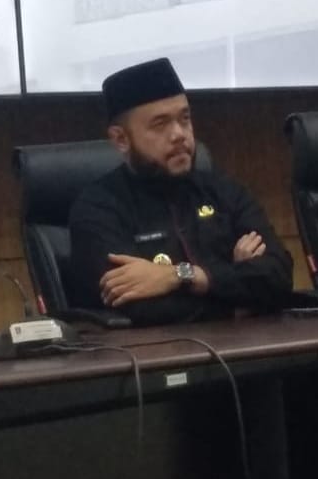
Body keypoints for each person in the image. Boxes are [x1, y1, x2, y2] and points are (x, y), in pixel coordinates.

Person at [68, 57, 293, 326]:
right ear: (121, 139)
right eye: (160, 124)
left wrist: (184, 276)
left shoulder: (223, 192)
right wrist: (239, 299)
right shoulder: (99, 208)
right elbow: (137, 306)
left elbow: (278, 275)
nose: (179, 134)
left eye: (184, 119)